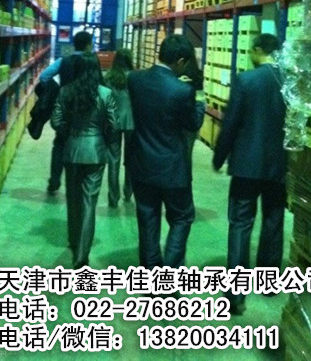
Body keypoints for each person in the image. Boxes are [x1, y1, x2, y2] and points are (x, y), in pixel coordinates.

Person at [213, 33, 287, 315]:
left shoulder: (246, 80)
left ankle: (235, 293)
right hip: (277, 163)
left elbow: (231, 123)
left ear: (258, 50)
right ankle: (268, 282)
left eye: (250, 51)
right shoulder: (288, 81)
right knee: (273, 219)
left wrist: (220, 156)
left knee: (241, 223)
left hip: (246, 164)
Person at [127, 34, 205, 270]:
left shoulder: (135, 79)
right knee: (182, 217)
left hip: (141, 162)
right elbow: (193, 123)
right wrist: (198, 98)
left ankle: (151, 270)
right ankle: (170, 273)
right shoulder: (182, 90)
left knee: (147, 218)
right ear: (180, 61)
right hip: (172, 167)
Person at [51, 53, 119, 269]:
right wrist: (103, 139)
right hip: (96, 153)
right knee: (89, 202)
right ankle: (82, 255)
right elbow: (113, 124)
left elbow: (56, 121)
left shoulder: (66, 91)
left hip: (72, 150)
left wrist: (70, 133)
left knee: (72, 198)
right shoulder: (105, 93)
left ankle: (73, 240)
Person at [40, 30, 93, 194]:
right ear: (88, 45)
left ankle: (54, 181)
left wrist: (56, 91)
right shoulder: (92, 62)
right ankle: (77, 184)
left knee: (60, 144)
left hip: (65, 109)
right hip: (85, 110)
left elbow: (44, 77)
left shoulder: (63, 61)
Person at [103, 48, 135, 207]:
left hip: (113, 121)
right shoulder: (134, 78)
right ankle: (128, 190)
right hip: (132, 122)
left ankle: (113, 196)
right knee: (130, 158)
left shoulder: (108, 78)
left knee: (113, 158)